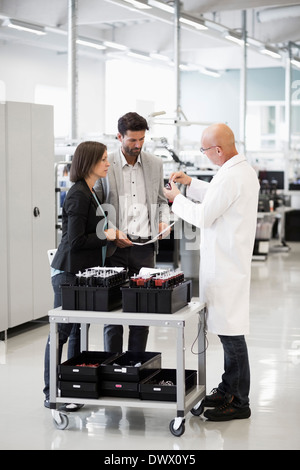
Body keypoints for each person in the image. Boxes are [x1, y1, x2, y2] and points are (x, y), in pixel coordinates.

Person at [164, 123, 259, 421]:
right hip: (227, 265)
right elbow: (217, 193)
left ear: (217, 150)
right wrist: (192, 183)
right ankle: (229, 387)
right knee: (229, 333)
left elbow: (204, 215)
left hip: (227, 268)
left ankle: (239, 401)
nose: (204, 155)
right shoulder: (236, 171)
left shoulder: (232, 176)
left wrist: (176, 199)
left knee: (232, 336)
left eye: (205, 150)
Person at [43, 141, 116, 408]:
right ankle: (51, 393)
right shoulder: (78, 195)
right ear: (90, 162)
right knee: (60, 333)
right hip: (67, 274)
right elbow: (74, 241)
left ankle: (73, 391)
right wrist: (105, 237)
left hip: (80, 273)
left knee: (76, 332)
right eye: (104, 159)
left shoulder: (91, 190)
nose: (108, 163)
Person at [94, 112, 170, 353]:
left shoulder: (155, 164)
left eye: (142, 140)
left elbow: (160, 201)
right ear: (119, 137)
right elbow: (95, 205)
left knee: (142, 311)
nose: (138, 145)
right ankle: (112, 365)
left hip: (144, 249)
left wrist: (162, 222)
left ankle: (136, 363)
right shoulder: (106, 163)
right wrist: (111, 230)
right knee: (113, 311)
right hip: (114, 249)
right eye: (132, 141)